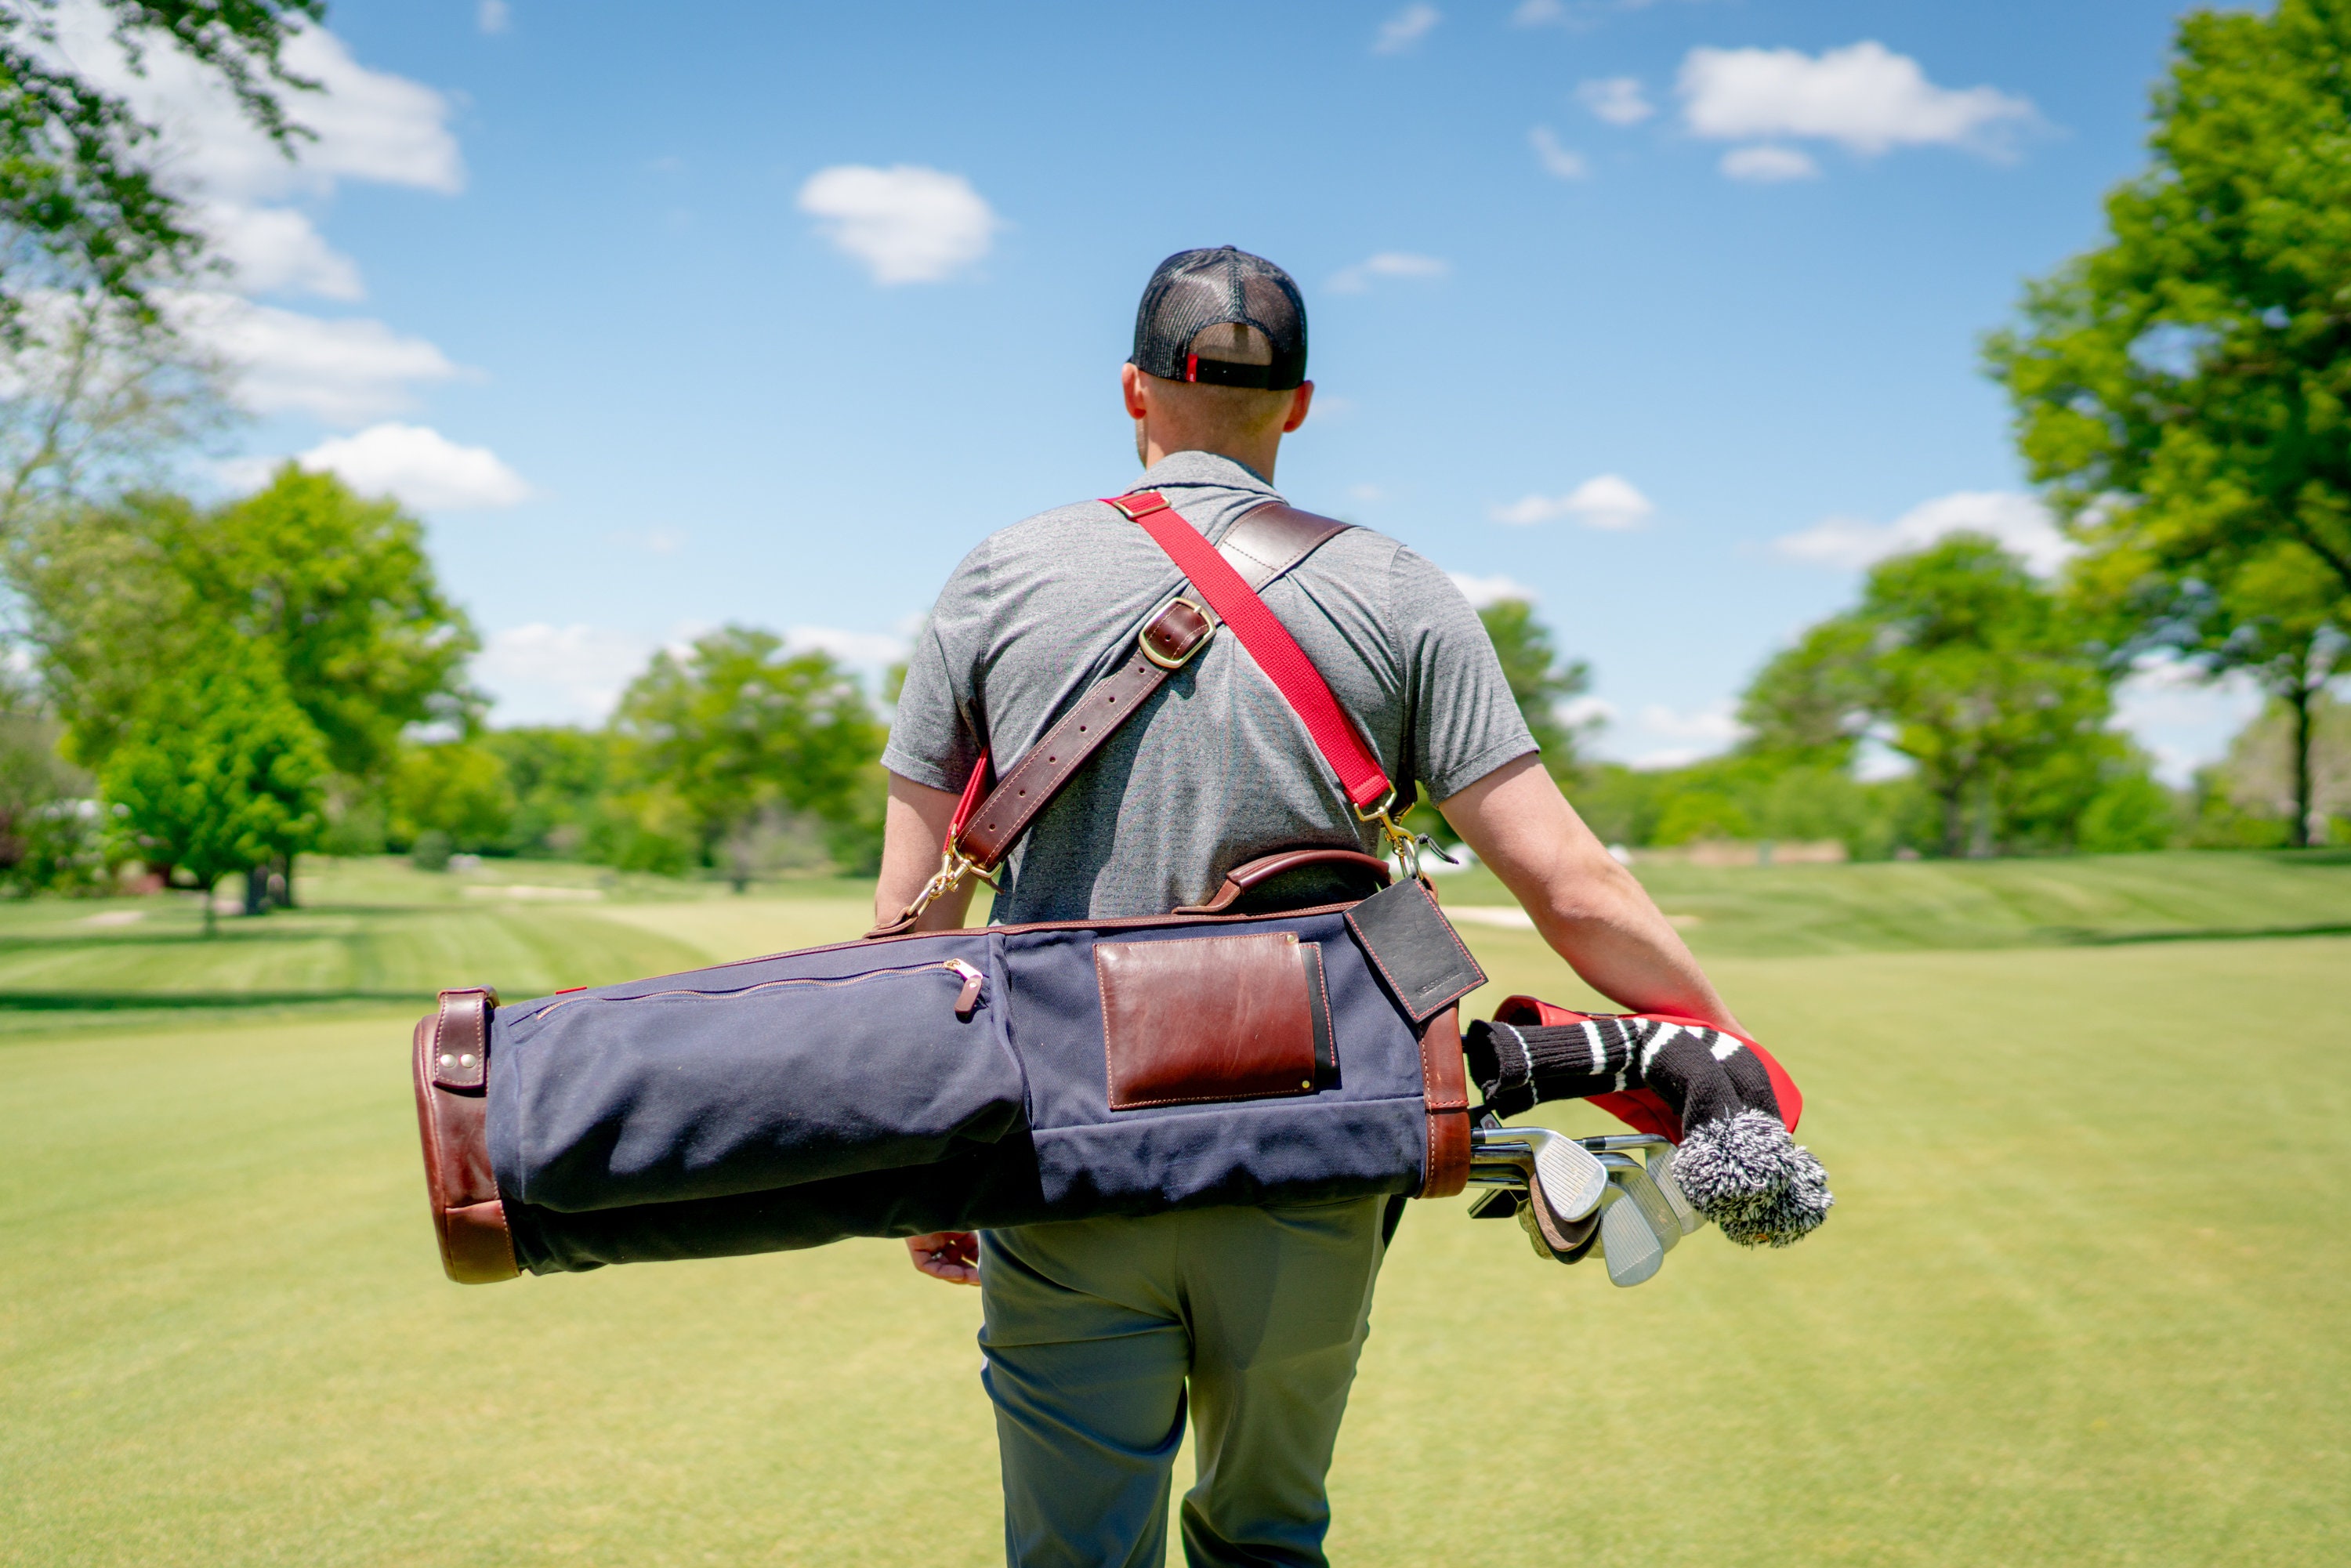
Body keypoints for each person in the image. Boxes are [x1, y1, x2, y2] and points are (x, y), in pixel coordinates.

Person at [874, 245, 1743, 1568]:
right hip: (1310, 1153)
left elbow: (911, 922)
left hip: (1062, 1147)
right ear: (1300, 403)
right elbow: (1570, 880)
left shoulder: (1000, 574)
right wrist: (1722, 1055)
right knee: (1269, 1538)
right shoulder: (1397, 588)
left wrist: (926, 1153)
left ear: (1132, 388)